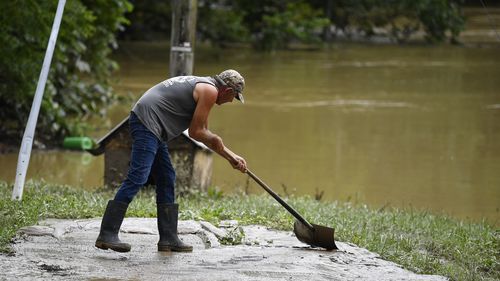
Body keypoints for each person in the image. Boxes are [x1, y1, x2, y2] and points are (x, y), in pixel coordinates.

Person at [95, 69, 248, 253]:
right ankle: (107, 233)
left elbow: (203, 132)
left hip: (153, 125)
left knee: (167, 176)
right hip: (147, 122)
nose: (231, 101)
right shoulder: (210, 91)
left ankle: (168, 238)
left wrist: (231, 156)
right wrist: (219, 142)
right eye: (234, 97)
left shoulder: (206, 86)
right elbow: (196, 132)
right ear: (228, 90)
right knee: (138, 177)